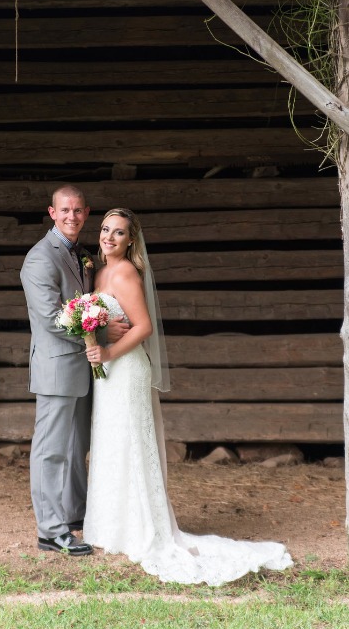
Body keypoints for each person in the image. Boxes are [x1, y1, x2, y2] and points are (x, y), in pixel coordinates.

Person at [83, 207, 293, 586]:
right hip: (107, 373)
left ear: (131, 240)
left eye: (118, 232)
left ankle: (141, 529)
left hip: (127, 369)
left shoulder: (127, 271)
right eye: (104, 230)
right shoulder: (98, 273)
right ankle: (111, 526)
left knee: (131, 442)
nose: (109, 237)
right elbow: (102, 322)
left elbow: (143, 326)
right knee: (112, 443)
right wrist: (97, 338)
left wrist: (110, 353)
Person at [20, 185, 127, 556]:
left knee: (78, 446)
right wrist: (101, 331)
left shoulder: (81, 254)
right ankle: (50, 532)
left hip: (83, 368)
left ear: (86, 213)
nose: (71, 216)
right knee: (50, 451)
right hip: (56, 368)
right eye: (65, 210)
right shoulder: (39, 259)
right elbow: (51, 320)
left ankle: (74, 516)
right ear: (52, 212)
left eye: (78, 211)